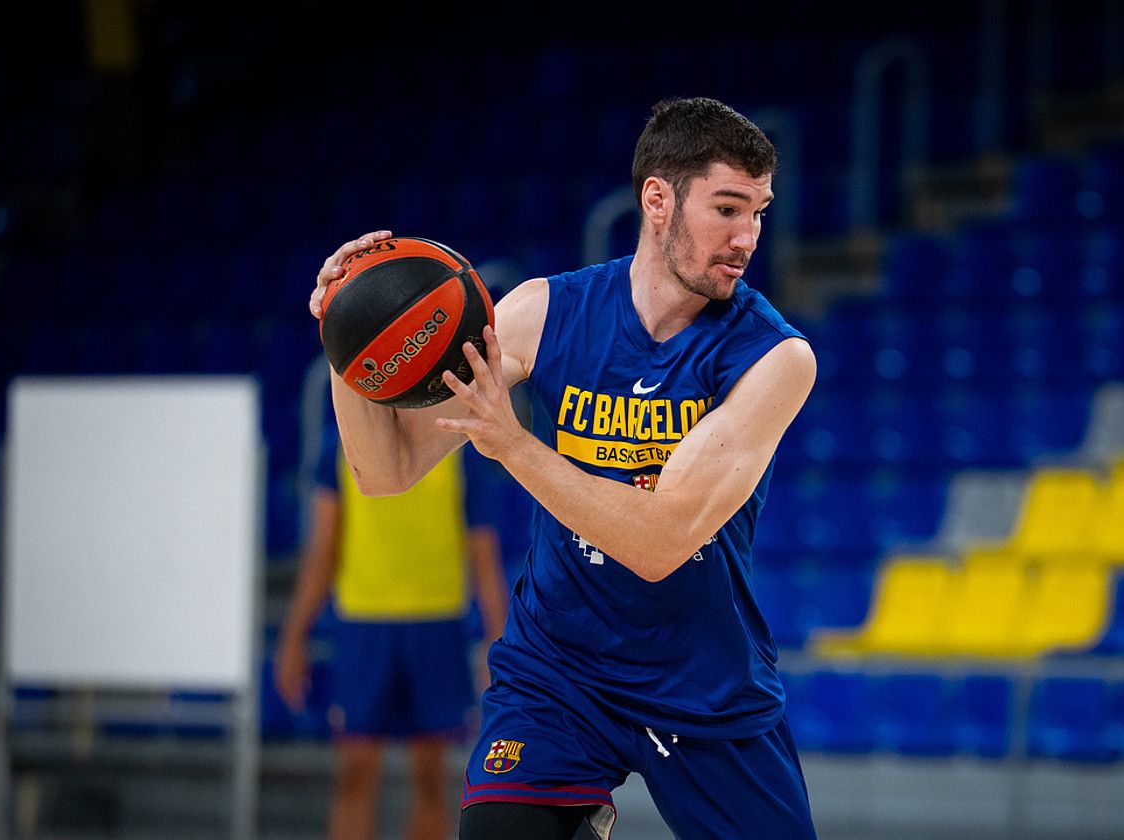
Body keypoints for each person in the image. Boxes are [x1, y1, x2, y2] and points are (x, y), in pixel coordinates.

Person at [309, 96, 818, 839]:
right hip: (560, 673)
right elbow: (386, 470)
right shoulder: (544, 314)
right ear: (657, 200)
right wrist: (346, 336)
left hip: (703, 683)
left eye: (759, 213)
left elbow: (658, 543)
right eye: (728, 208)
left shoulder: (774, 358)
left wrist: (513, 445)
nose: (747, 237)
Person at [274, 412, 510, 840]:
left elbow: (484, 554)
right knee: (355, 774)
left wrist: (501, 647)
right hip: (365, 624)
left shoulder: (459, 444)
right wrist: (294, 637)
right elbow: (321, 550)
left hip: (436, 624)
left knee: (431, 779)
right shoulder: (340, 443)